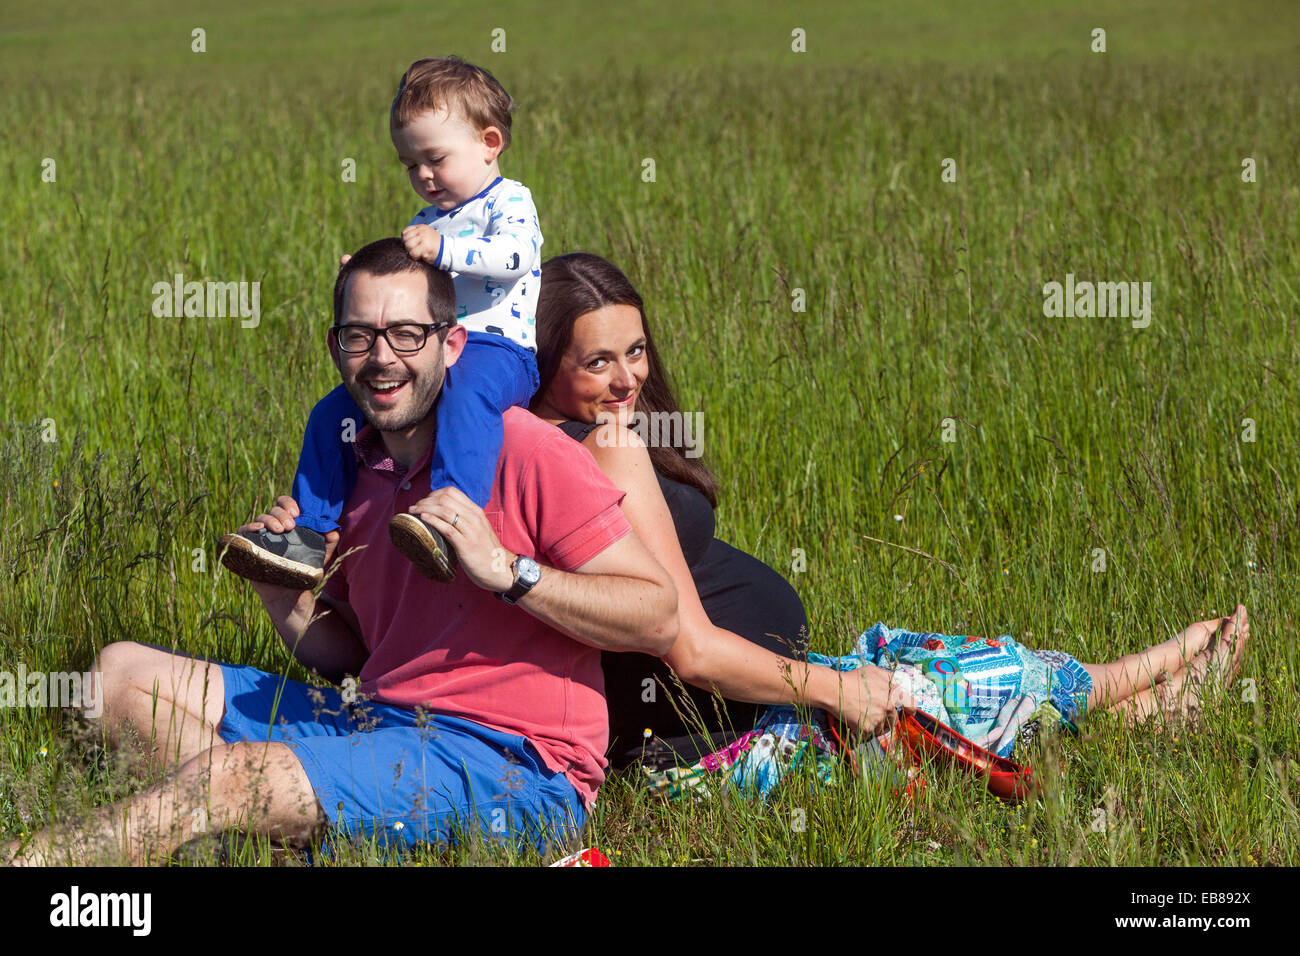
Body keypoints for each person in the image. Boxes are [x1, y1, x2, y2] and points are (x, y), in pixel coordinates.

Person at [3, 240, 678, 866]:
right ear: (335, 347)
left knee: (225, 776)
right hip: (378, 720)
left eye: (408, 335)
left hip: (513, 762)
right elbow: (352, 656)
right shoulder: (351, 466)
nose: (383, 358)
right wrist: (282, 597)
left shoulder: (525, 449)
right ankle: (277, 829)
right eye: (361, 336)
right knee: (115, 680)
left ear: (452, 343)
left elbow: (657, 616)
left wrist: (509, 572)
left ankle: (45, 862)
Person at [526, 253, 1251, 771]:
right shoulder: (596, 446)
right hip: (704, 741)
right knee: (971, 684)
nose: (628, 379)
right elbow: (691, 650)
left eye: (637, 351)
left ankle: (1139, 709)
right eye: (598, 362)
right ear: (544, 360)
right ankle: (1145, 675)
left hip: (759, 691)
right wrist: (837, 690)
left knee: (933, 665)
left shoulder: (567, 436)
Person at [221, 55, 544, 587]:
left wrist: (444, 249)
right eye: (409, 164)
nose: (423, 174)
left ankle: (448, 520)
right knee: (333, 411)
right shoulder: (426, 220)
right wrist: (369, 271)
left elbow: (517, 257)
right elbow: (407, 281)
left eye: (435, 158)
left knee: (466, 396)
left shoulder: (507, 202)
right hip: (431, 348)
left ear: (490, 143)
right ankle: (308, 533)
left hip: (496, 350)